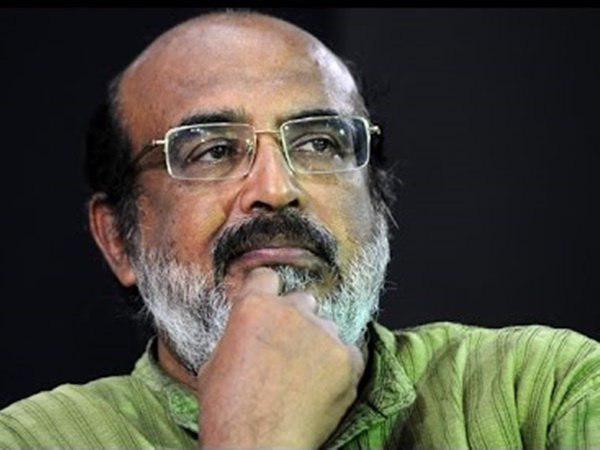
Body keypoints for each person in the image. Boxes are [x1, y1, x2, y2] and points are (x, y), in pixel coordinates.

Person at [0, 11, 598, 449]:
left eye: (319, 143)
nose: (276, 186)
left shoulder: (543, 393)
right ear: (119, 240)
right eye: (212, 151)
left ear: (379, 202)